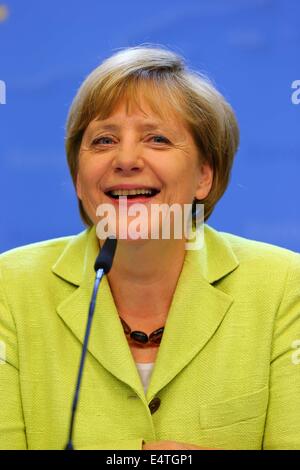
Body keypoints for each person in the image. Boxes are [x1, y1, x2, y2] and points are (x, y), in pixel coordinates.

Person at [0, 46, 299, 451]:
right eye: (103, 140)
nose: (125, 159)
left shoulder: (285, 288)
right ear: (77, 177)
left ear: (203, 177)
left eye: (157, 139)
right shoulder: (9, 289)